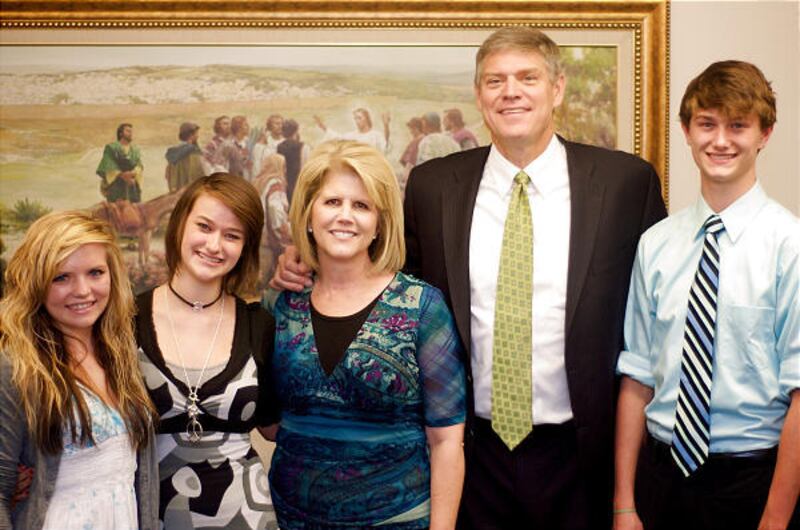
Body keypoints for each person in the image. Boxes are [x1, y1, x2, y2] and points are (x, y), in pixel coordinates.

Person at [271, 26, 667, 529]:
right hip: (472, 453)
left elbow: (657, 310)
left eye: (528, 78)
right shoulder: (435, 186)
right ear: (479, 95)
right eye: (495, 81)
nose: (511, 92)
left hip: (583, 455)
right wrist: (306, 257)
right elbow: (385, 281)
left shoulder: (624, 183)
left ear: (557, 88)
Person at [614, 60, 800, 530]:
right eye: (707, 124)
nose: (720, 141)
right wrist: (624, 503)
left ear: (765, 134)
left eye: (738, 126)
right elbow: (637, 375)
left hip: (753, 480)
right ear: (686, 130)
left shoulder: (790, 245)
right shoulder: (656, 244)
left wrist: (775, 519)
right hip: (661, 477)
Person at [267, 139, 466, 529]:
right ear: (308, 214)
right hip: (290, 519)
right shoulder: (280, 304)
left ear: (379, 223)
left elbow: (446, 441)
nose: (345, 216)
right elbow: (268, 420)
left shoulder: (421, 307)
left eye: (361, 205)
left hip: (397, 518)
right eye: (332, 202)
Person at [134, 173, 280, 529]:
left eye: (232, 235)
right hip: (152, 515)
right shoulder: (124, 320)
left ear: (245, 247)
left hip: (249, 515)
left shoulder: (258, 324)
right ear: (180, 224)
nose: (214, 245)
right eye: (205, 226)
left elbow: (277, 428)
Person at [0, 210, 158, 530]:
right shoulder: (16, 367)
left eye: (95, 272)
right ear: (36, 282)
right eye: (61, 277)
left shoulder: (122, 354)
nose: (83, 290)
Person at [96, 122, 144, 203]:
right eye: (128, 131)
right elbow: (108, 164)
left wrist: (133, 173)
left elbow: (139, 165)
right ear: (121, 133)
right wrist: (122, 175)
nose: (130, 133)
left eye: (131, 131)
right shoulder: (111, 147)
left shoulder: (135, 150)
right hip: (117, 185)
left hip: (132, 185)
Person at [314, 107, 391, 154]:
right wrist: (322, 126)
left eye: (359, 118)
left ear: (367, 118)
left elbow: (385, 146)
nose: (357, 121)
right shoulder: (352, 135)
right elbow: (337, 137)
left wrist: (386, 125)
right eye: (355, 118)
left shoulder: (375, 135)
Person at [276, 118, 310, 203]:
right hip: (298, 182)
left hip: (285, 183)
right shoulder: (303, 146)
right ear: (296, 131)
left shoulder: (279, 147)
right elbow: (306, 166)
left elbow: (279, 166)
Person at [165, 122, 205, 192]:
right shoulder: (193, 152)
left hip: (175, 190)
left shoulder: (173, 152)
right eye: (196, 134)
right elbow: (198, 174)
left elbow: (167, 175)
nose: (198, 136)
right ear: (191, 135)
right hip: (189, 191)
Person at [251, 114, 285, 179]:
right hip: (265, 178)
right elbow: (257, 165)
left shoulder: (285, 142)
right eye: (277, 124)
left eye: (281, 124)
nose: (280, 126)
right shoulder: (262, 144)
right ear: (270, 126)